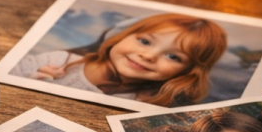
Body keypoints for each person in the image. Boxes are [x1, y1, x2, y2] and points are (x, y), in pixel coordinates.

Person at [13, 13, 228, 107]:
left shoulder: (143, 102)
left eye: (173, 56)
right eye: (145, 41)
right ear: (121, 36)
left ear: (186, 71)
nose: (148, 56)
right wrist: (32, 81)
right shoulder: (61, 60)